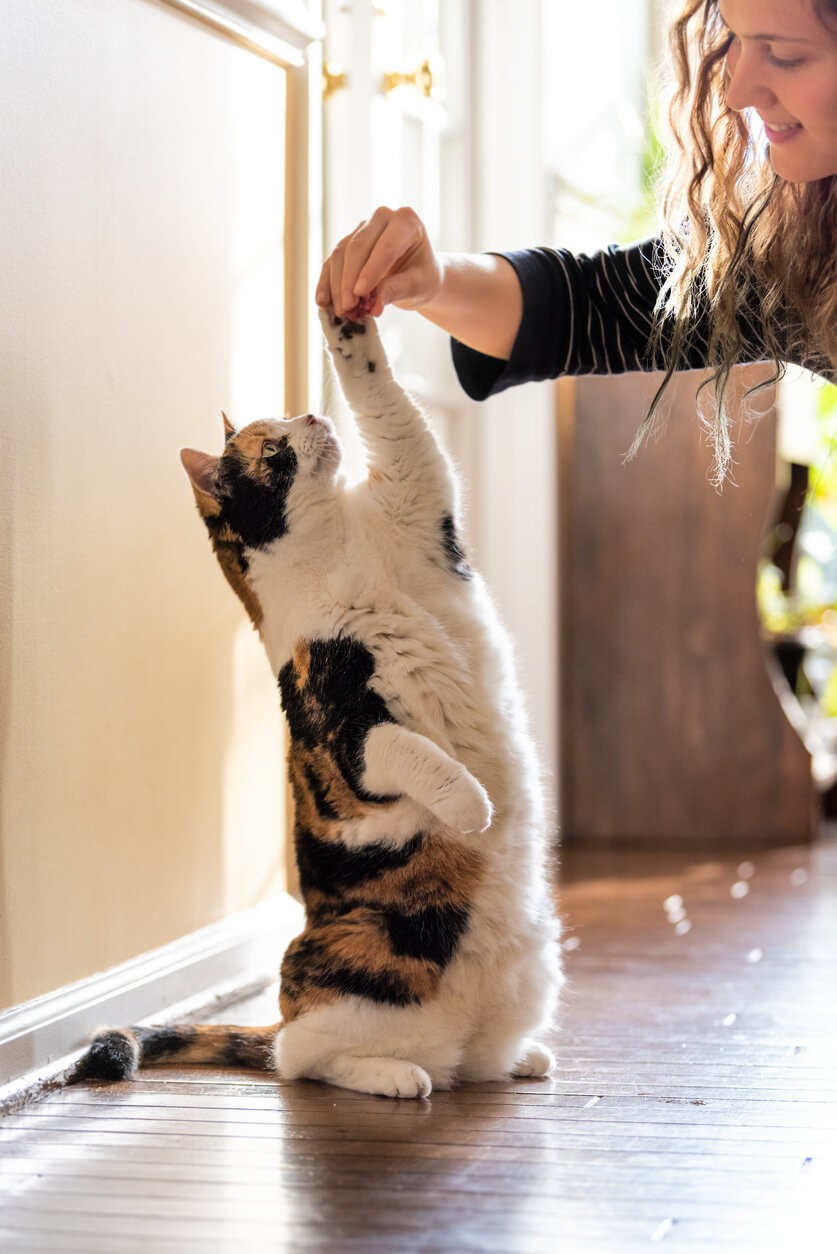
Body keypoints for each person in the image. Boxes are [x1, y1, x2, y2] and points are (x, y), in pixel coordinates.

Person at [316, 0, 837, 483]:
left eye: (786, 56)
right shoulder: (799, 248)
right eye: (736, 40)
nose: (736, 91)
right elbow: (590, 307)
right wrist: (433, 280)